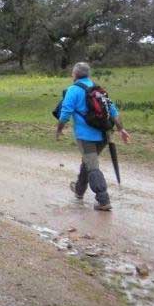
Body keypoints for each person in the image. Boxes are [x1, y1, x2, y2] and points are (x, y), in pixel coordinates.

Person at [56, 61, 130, 211]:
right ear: (88, 74)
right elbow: (114, 112)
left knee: (92, 166)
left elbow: (65, 113)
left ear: (74, 74)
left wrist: (59, 129)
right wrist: (121, 129)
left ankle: (103, 200)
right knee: (88, 161)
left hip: (86, 137)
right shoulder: (98, 89)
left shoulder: (73, 90)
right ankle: (79, 190)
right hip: (103, 135)